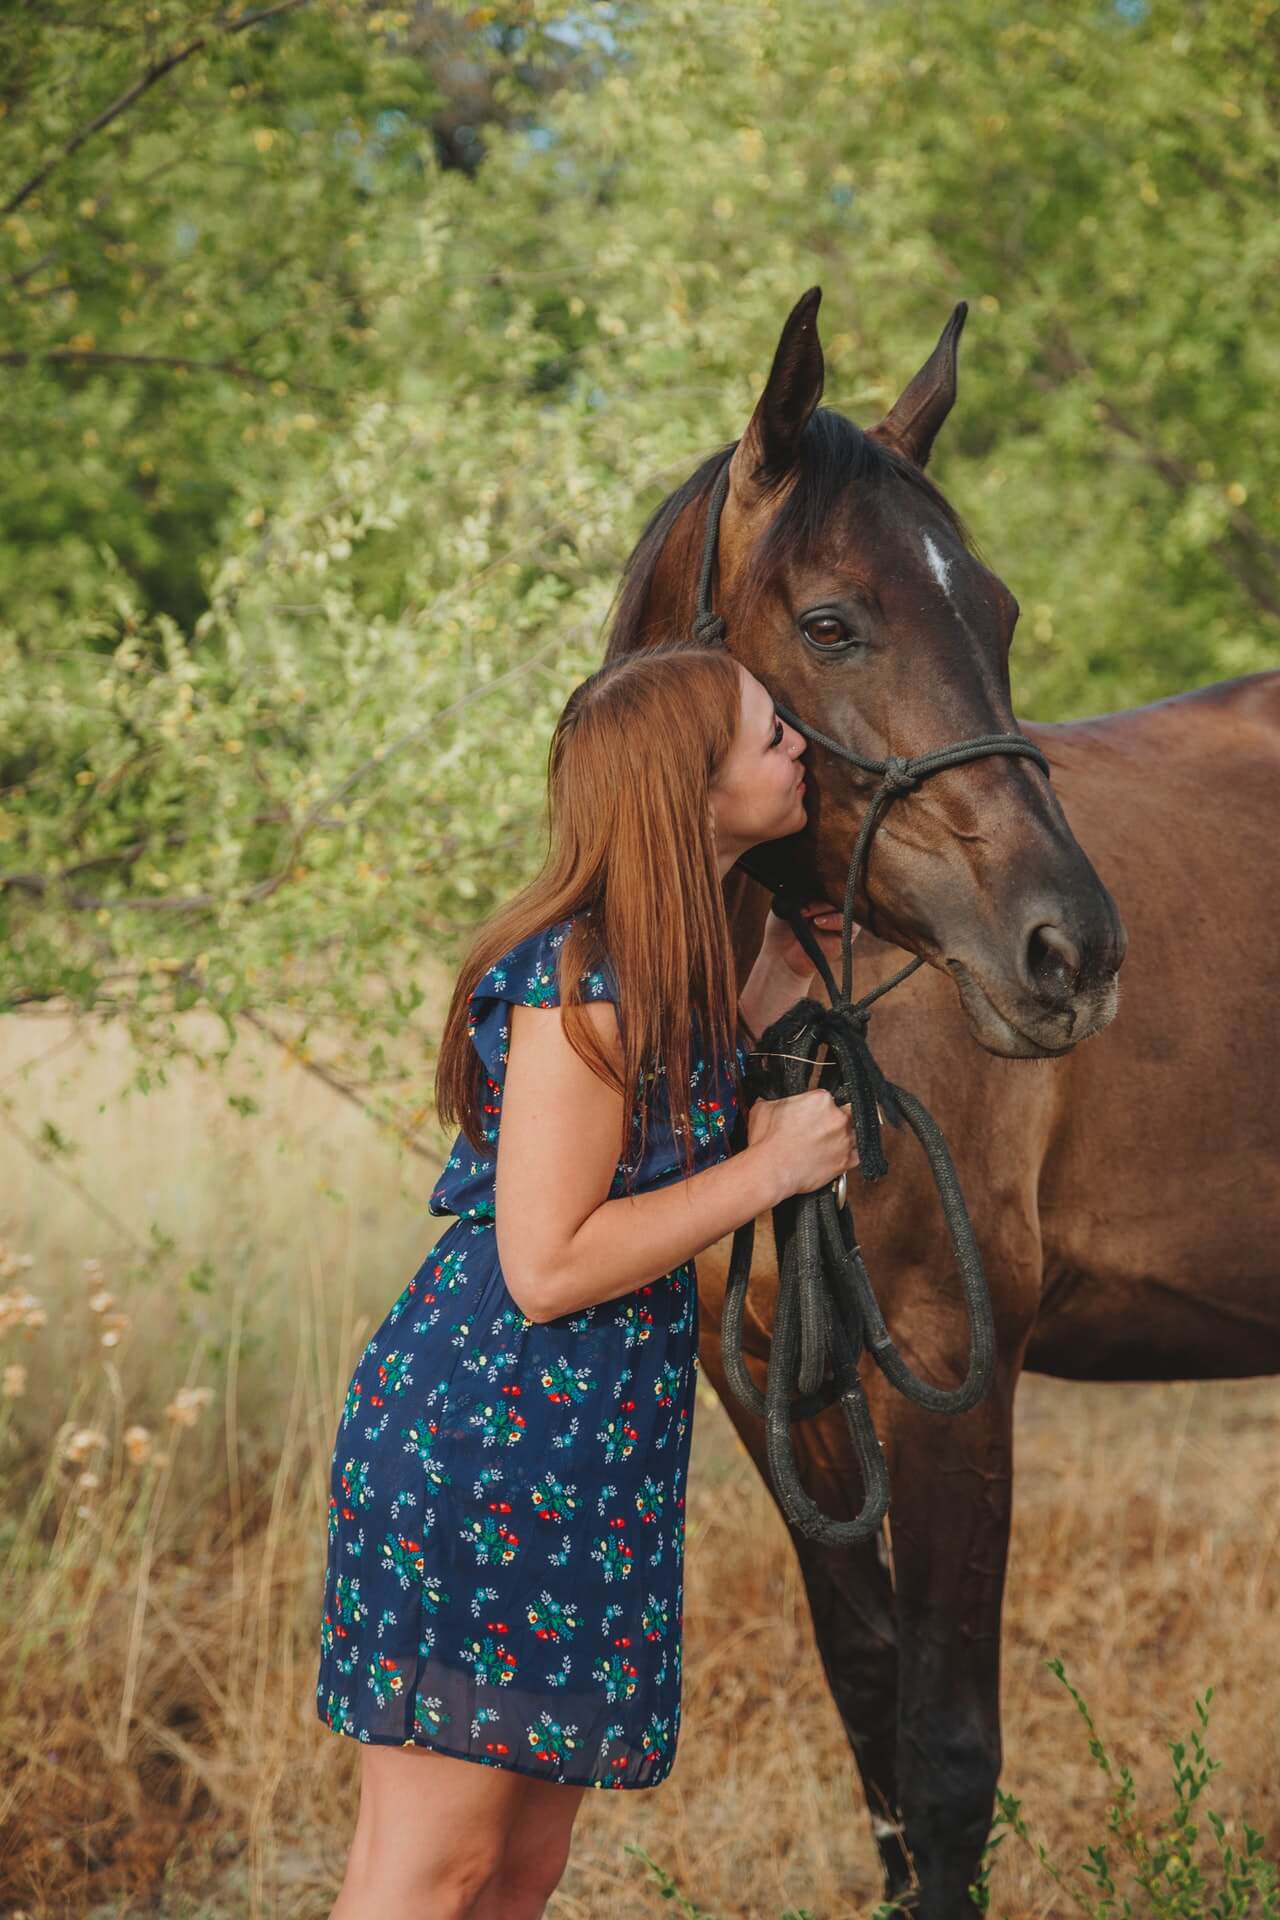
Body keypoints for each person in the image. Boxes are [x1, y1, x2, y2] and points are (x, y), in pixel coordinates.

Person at [317, 642, 861, 1919]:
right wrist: (771, 1166)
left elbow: (650, 1156)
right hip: (487, 1441)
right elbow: (548, 1264)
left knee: (521, 1869)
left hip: (586, 1453)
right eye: (768, 731)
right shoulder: (576, 983)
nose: (797, 746)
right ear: (692, 787)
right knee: (431, 1868)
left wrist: (772, 990)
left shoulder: (663, 965)